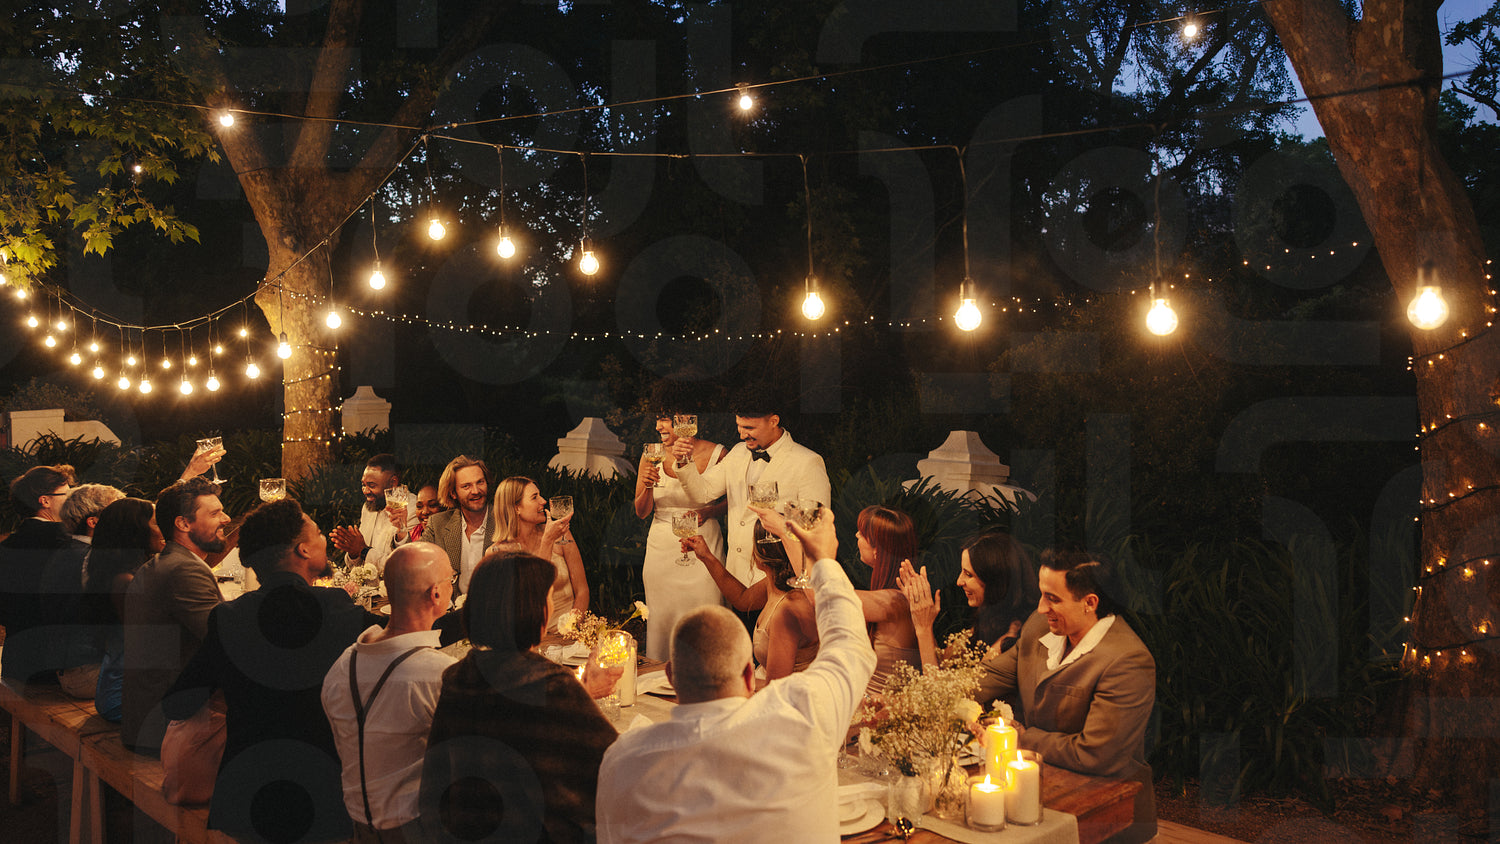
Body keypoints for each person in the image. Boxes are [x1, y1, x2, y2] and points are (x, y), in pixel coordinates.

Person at [596, 506, 875, 843]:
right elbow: (849, 645)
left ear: (671, 675)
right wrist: (824, 561)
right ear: (747, 674)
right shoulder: (803, 720)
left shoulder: (624, 761)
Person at [163, 498, 382, 844]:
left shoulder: (229, 617)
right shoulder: (336, 610)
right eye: (318, 533)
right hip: (321, 796)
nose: (323, 539)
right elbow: (402, 639)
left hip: (248, 797)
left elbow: (178, 703)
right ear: (303, 550)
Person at [418, 551, 620, 843]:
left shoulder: (458, 678)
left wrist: (583, 693)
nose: (552, 607)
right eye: (548, 598)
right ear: (533, 610)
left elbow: (434, 782)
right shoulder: (552, 686)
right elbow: (614, 763)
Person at [972, 547, 1157, 844]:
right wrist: (930, 694)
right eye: (1042, 595)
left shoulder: (1127, 661)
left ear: (1090, 603)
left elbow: (1096, 755)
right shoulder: (1039, 627)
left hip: (1111, 816)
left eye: (1053, 599)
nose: (1041, 608)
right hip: (1037, 796)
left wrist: (1022, 739)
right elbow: (989, 678)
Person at [322, 543, 457, 842]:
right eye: (451, 579)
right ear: (436, 594)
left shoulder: (342, 666)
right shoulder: (438, 674)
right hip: (416, 827)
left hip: (355, 824)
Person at [673, 383, 830, 590]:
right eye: (739, 426)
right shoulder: (738, 452)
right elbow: (703, 493)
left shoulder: (807, 462)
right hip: (735, 577)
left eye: (749, 428)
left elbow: (817, 532)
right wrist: (684, 461)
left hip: (780, 583)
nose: (741, 435)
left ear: (773, 421)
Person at [121, 477, 228, 753]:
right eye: (215, 513)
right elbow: (226, 641)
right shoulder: (184, 569)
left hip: (146, 719)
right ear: (183, 524)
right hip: (166, 728)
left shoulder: (166, 562)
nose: (226, 519)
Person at [635, 410, 727, 660]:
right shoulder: (651, 454)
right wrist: (648, 486)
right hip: (662, 550)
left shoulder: (717, 454)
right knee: (662, 619)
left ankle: (708, 676)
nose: (658, 426)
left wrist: (710, 511)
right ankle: (660, 676)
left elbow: (735, 500)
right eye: (658, 419)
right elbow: (641, 512)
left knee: (704, 615)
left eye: (665, 419)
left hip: (703, 546)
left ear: (686, 419)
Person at [682, 522, 817, 685]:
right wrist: (706, 556)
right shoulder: (775, 583)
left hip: (787, 693)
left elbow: (777, 688)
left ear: (763, 551)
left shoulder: (789, 607)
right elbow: (742, 599)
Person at [900, 531, 1038, 669]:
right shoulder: (988, 622)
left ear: (995, 581)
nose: (959, 582)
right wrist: (920, 611)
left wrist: (924, 629)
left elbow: (933, 681)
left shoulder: (1009, 638)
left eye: (968, 574)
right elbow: (942, 664)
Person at [81, 498, 163, 722]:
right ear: (135, 532)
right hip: (123, 698)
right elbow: (148, 643)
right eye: (157, 523)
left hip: (126, 690)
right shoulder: (125, 581)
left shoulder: (124, 573)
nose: (163, 529)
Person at [40, 482, 124, 697]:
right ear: (93, 522)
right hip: (89, 674)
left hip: (69, 670)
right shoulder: (91, 558)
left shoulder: (70, 550)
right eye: (117, 513)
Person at [0, 464, 77, 686]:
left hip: (16, 660)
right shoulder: (67, 542)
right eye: (67, 495)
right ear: (45, 501)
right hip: (57, 666)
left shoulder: (7, 545)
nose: (72, 501)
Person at [488, 476, 586, 649]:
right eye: (534, 497)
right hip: (528, 644)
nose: (543, 501)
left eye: (540, 495)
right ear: (516, 507)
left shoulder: (562, 535)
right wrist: (547, 541)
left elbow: (582, 590)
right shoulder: (497, 554)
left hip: (570, 640)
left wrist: (572, 626)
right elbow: (533, 593)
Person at [852, 505, 921, 694]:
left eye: (862, 534)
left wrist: (791, 537)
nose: (856, 535)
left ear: (878, 550)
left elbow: (821, 597)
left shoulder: (894, 602)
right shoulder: (896, 596)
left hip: (877, 707)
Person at [330, 453, 415, 576]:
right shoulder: (368, 507)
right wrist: (353, 552)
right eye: (363, 485)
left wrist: (363, 551)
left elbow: (405, 566)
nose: (365, 491)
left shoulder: (413, 509)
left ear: (393, 482)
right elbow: (358, 566)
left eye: (371, 485)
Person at [419, 455, 493, 594]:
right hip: (452, 606)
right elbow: (414, 561)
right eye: (466, 486)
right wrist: (401, 528)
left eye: (480, 482)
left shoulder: (505, 520)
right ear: (453, 493)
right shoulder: (438, 523)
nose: (476, 491)